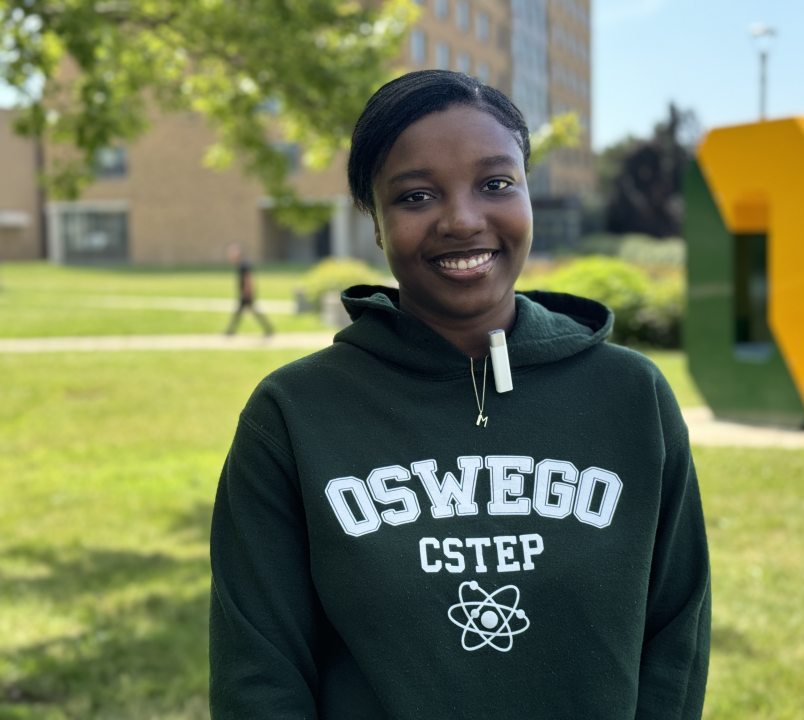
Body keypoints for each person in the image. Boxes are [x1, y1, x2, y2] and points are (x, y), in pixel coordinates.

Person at [209, 70, 710, 719]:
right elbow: (259, 675)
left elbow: (676, 639)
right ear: (376, 221)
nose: (462, 219)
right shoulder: (292, 416)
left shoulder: (632, 399)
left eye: (496, 184)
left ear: (529, 191)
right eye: (416, 196)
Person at [224, 243, 273, 336]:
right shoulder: (241, 265)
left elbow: (248, 279)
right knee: (243, 312)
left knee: (243, 312)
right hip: (245, 293)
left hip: (246, 293)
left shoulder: (244, 265)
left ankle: (230, 331)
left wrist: (247, 292)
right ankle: (268, 329)